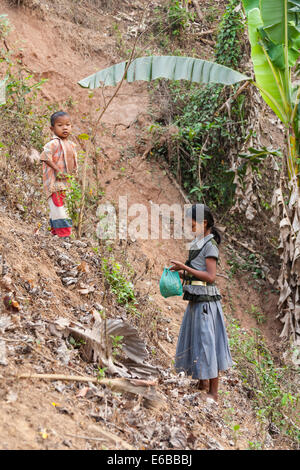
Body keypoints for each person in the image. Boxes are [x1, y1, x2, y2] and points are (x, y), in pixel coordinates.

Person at [170, 204, 232, 403]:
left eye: (193, 223)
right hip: (196, 300)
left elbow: (210, 277)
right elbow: (196, 272)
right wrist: (179, 272)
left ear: (204, 223)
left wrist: (184, 268)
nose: (190, 227)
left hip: (206, 302)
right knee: (197, 340)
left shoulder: (210, 245)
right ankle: (201, 383)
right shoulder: (198, 243)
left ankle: (213, 393)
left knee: (208, 343)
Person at [40, 111, 78, 238]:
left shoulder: (71, 145)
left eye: (68, 124)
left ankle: (55, 231)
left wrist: (73, 175)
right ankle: (64, 234)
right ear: (52, 128)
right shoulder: (53, 143)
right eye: (60, 125)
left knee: (60, 206)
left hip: (66, 183)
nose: (65, 127)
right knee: (58, 206)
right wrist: (57, 169)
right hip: (54, 183)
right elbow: (45, 156)